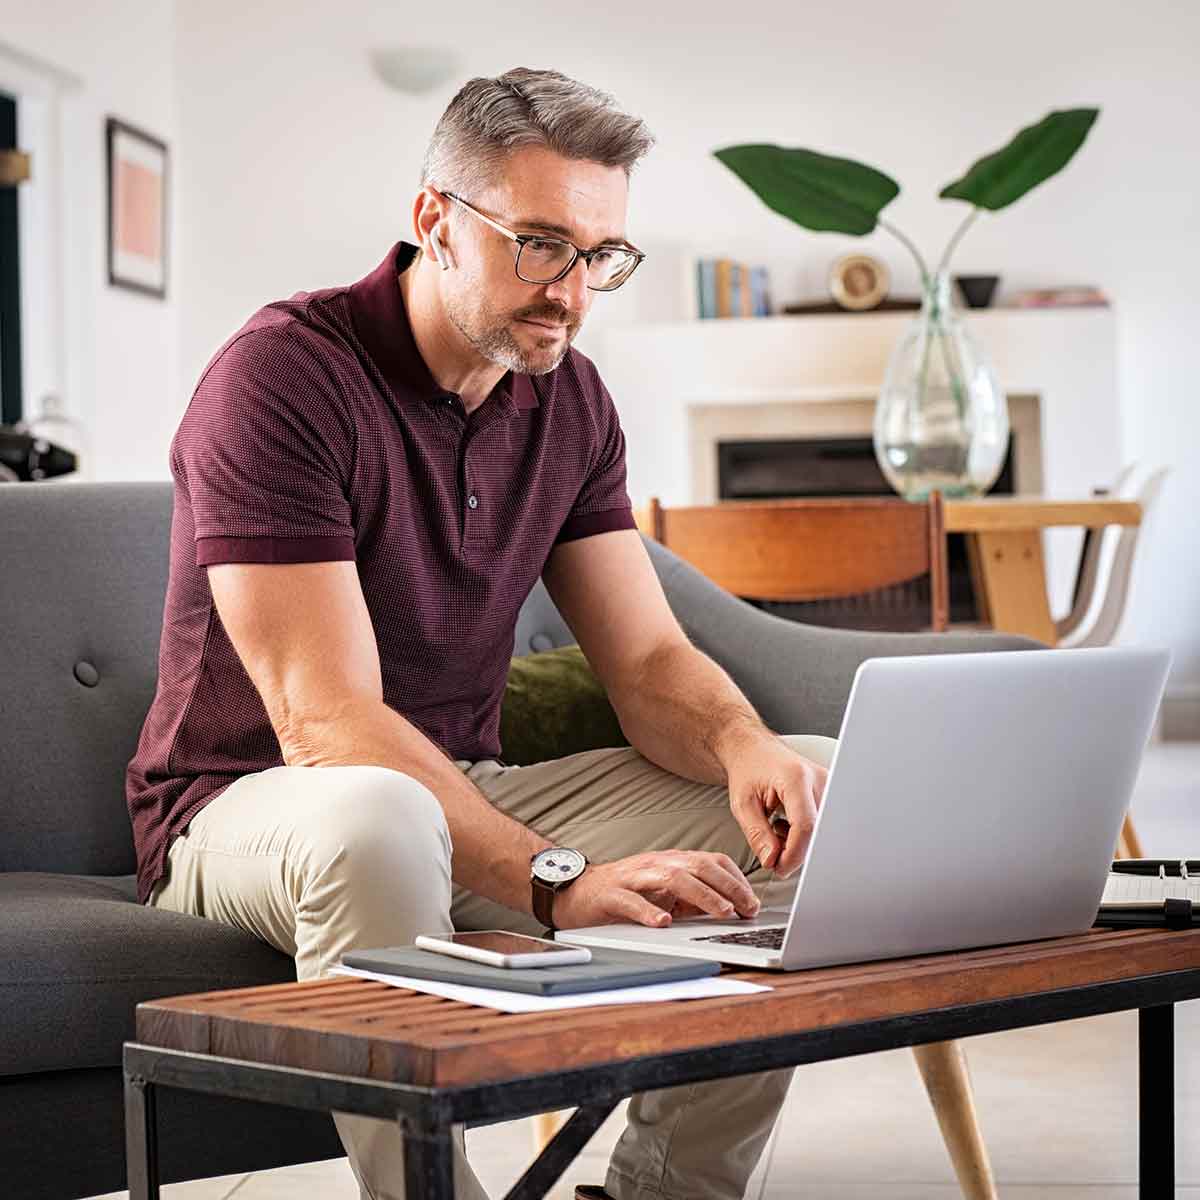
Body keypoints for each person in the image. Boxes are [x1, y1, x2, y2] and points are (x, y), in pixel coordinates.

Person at [126, 66, 835, 1200]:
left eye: (601, 256)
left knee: (820, 795)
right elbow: (326, 722)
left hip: (465, 786)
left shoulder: (571, 400)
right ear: (433, 223)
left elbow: (648, 663)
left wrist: (748, 745)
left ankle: (665, 1193)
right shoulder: (280, 382)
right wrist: (556, 880)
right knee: (379, 816)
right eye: (540, 244)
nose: (572, 292)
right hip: (249, 806)